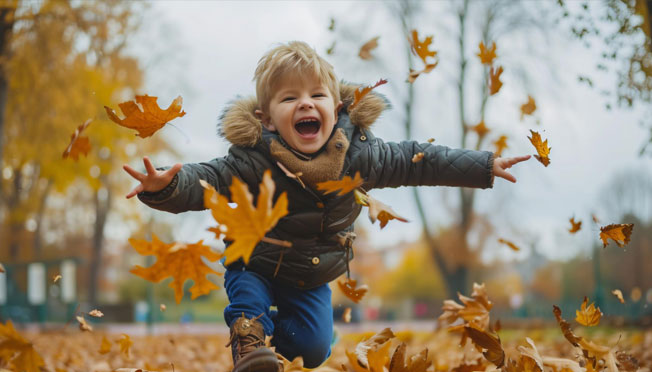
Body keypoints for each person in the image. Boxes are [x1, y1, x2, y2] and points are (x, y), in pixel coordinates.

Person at [123, 41, 530, 372]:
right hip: (256, 258)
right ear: (266, 120)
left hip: (312, 272)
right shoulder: (251, 159)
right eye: (289, 98)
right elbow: (204, 180)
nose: (305, 104)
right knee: (248, 301)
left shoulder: (361, 156)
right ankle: (249, 349)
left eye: (317, 94)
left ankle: (272, 356)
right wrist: (167, 184)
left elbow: (416, 160)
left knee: (313, 350)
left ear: (335, 110)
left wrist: (483, 166)